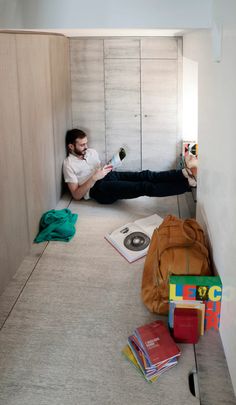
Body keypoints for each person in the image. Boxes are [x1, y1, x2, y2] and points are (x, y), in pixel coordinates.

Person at [63, 128, 197, 204]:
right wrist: (93, 178)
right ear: (71, 146)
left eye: (86, 143)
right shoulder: (68, 164)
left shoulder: (91, 152)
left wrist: (112, 164)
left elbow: (101, 169)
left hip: (108, 176)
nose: (86, 147)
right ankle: (186, 185)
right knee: (144, 187)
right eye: (82, 145)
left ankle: (183, 174)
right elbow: (76, 195)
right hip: (98, 189)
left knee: (146, 174)